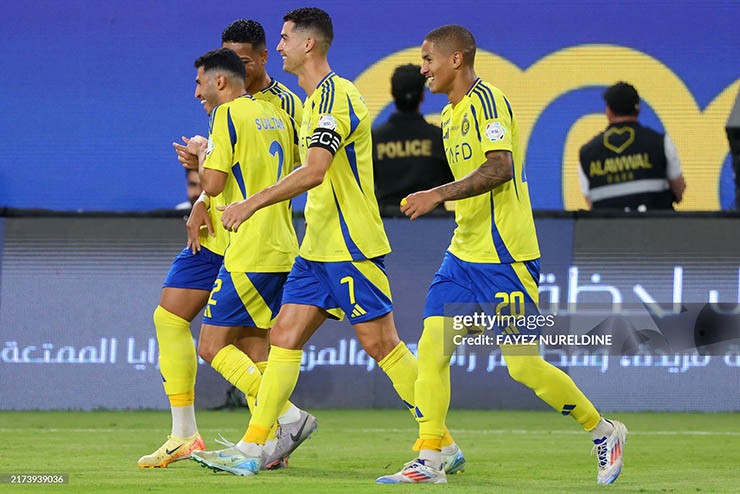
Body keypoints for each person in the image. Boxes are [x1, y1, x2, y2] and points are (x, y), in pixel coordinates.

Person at [194, 7, 464, 477]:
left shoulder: (337, 97)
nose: (278, 46)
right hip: (315, 248)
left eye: (284, 38)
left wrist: (251, 203)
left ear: (308, 44)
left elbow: (315, 170)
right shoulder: (309, 102)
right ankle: (254, 446)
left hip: (350, 243)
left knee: (382, 344)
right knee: (283, 337)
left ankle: (438, 444)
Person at [376, 25, 627, 485]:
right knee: (431, 349)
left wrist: (437, 193)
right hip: (463, 256)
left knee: (523, 365)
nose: (423, 69)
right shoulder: (449, 115)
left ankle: (604, 431)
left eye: (429, 59)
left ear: (456, 59)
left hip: (506, 258)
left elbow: (500, 167)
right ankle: (430, 458)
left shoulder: (488, 101)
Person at [138, 19, 308, 470]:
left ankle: (272, 435)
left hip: (252, 234)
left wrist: (208, 167)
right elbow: (222, 171)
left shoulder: (285, 105)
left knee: (251, 341)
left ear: (264, 57)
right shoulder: (225, 105)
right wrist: (200, 201)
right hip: (217, 230)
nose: (237, 65)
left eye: (244, 60)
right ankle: (184, 435)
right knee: (169, 315)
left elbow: (301, 170)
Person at [578, 81, 686, 211]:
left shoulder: (587, 153)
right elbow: (679, 191)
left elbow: (590, 201)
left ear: (608, 111)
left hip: (610, 224)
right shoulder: (661, 142)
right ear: (638, 109)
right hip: (656, 224)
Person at [372, 64, 452, 213]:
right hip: (434, 220)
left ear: (392, 93)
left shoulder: (374, 139)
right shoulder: (439, 138)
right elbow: (453, 180)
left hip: (386, 220)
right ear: (422, 95)